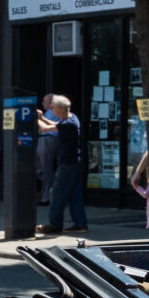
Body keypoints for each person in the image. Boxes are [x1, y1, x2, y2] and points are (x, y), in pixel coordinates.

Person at [34, 96, 86, 235]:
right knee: (75, 195)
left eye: (53, 107)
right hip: (75, 162)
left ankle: (54, 225)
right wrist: (43, 118)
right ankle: (80, 224)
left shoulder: (67, 124)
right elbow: (55, 125)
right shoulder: (71, 118)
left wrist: (37, 118)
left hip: (67, 164)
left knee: (56, 194)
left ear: (61, 108)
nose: (51, 109)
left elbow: (45, 129)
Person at [36, 94, 58, 205]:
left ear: (50, 102)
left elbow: (42, 129)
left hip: (47, 139)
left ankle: (47, 197)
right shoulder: (49, 113)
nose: (42, 103)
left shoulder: (52, 112)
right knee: (40, 169)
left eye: (44, 101)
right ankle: (49, 193)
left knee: (46, 169)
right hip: (44, 140)